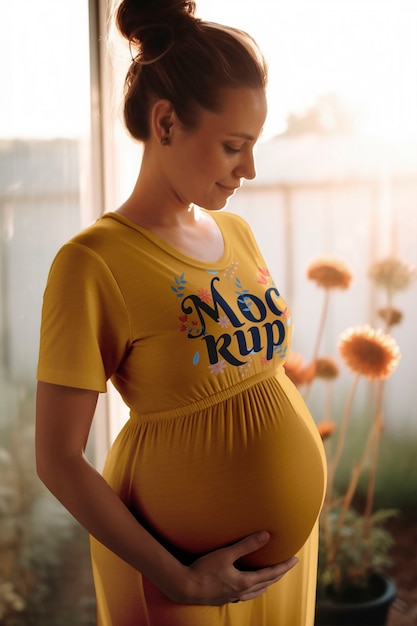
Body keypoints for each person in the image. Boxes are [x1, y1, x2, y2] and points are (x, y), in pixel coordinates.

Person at [35, 1, 326, 624]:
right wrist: (180, 579)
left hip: (281, 574)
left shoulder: (238, 233)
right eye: (232, 147)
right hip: (176, 577)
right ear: (165, 122)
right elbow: (57, 458)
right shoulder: (93, 262)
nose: (249, 169)